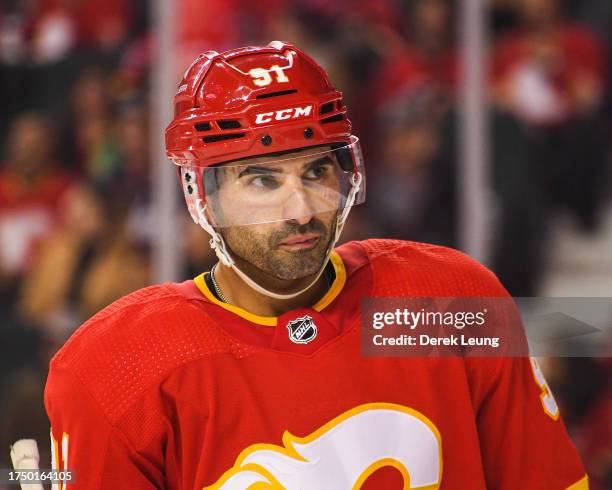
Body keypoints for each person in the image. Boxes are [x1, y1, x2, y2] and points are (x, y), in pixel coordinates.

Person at [45, 41, 587, 489]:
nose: (301, 210)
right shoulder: (113, 370)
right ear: (200, 194)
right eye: (262, 180)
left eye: (314, 172)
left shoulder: (447, 303)